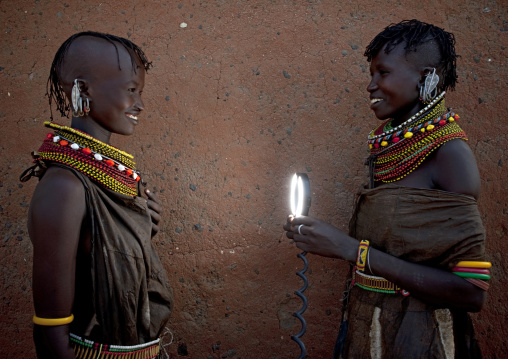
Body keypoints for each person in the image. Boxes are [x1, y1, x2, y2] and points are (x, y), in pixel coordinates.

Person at [284, 20, 488, 358]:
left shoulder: (449, 155)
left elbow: (471, 291)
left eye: (383, 73)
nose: (371, 85)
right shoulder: (392, 149)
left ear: (426, 77)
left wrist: (352, 250)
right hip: (366, 329)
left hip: (421, 341)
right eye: (371, 74)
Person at [20, 32, 173, 358]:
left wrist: (138, 228)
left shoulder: (109, 180)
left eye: (140, 92)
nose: (140, 105)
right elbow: (51, 332)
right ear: (83, 89)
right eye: (132, 91)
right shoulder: (66, 188)